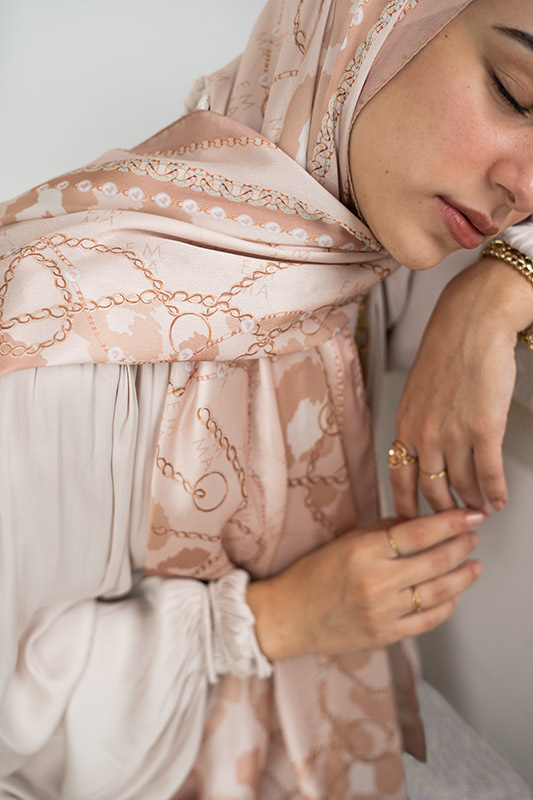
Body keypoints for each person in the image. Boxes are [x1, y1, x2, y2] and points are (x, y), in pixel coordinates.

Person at [1, 1, 532, 798]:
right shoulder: (58, 324)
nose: (523, 190)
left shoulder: (353, 255)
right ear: (368, 26)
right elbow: (15, 724)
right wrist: (280, 618)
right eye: (513, 93)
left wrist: (492, 295)